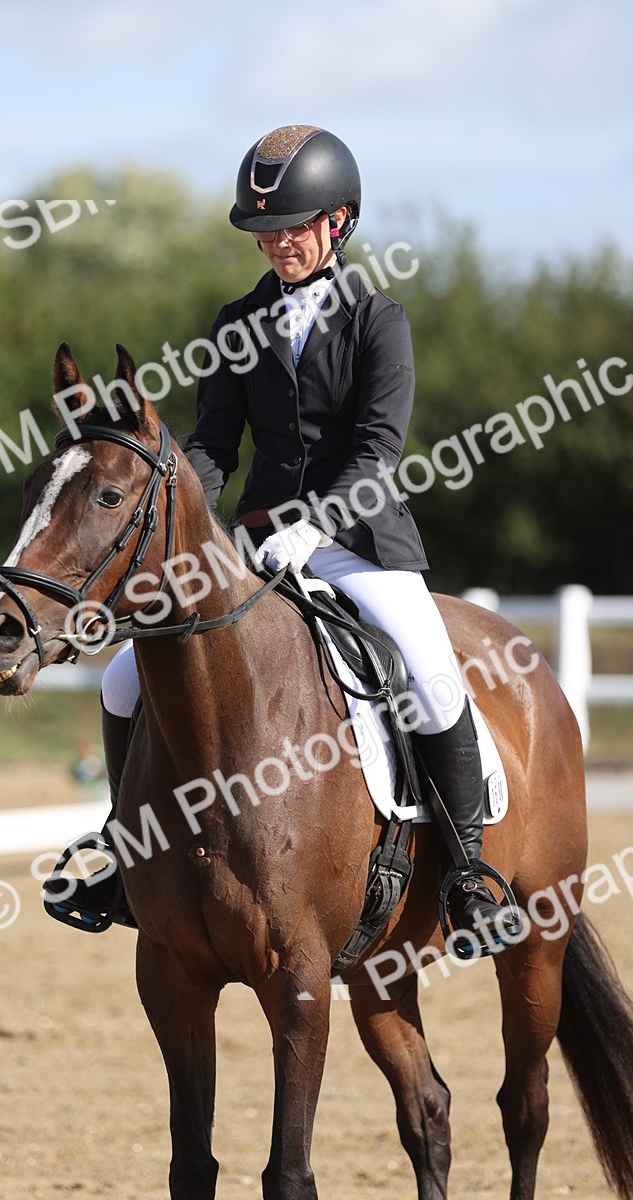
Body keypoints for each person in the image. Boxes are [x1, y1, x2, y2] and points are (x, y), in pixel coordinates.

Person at [48, 124, 517, 951]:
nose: (279, 243)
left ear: (338, 223)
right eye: (265, 230)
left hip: (360, 543)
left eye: (295, 227)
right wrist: (185, 516)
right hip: (254, 550)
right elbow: (214, 448)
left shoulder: (380, 320)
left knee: (432, 676)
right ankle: (127, 853)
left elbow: (378, 453)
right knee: (126, 678)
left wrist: (312, 529)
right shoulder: (238, 323)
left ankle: (468, 871)